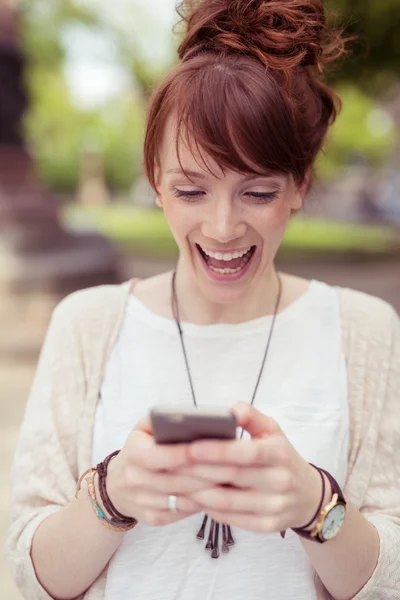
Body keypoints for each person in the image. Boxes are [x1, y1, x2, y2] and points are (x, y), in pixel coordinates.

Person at [5, 1, 400, 599]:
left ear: (300, 187)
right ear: (156, 183)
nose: (222, 227)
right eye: (192, 189)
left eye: (258, 192)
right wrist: (110, 495)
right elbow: (23, 576)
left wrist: (316, 507)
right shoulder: (87, 325)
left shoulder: (364, 331)